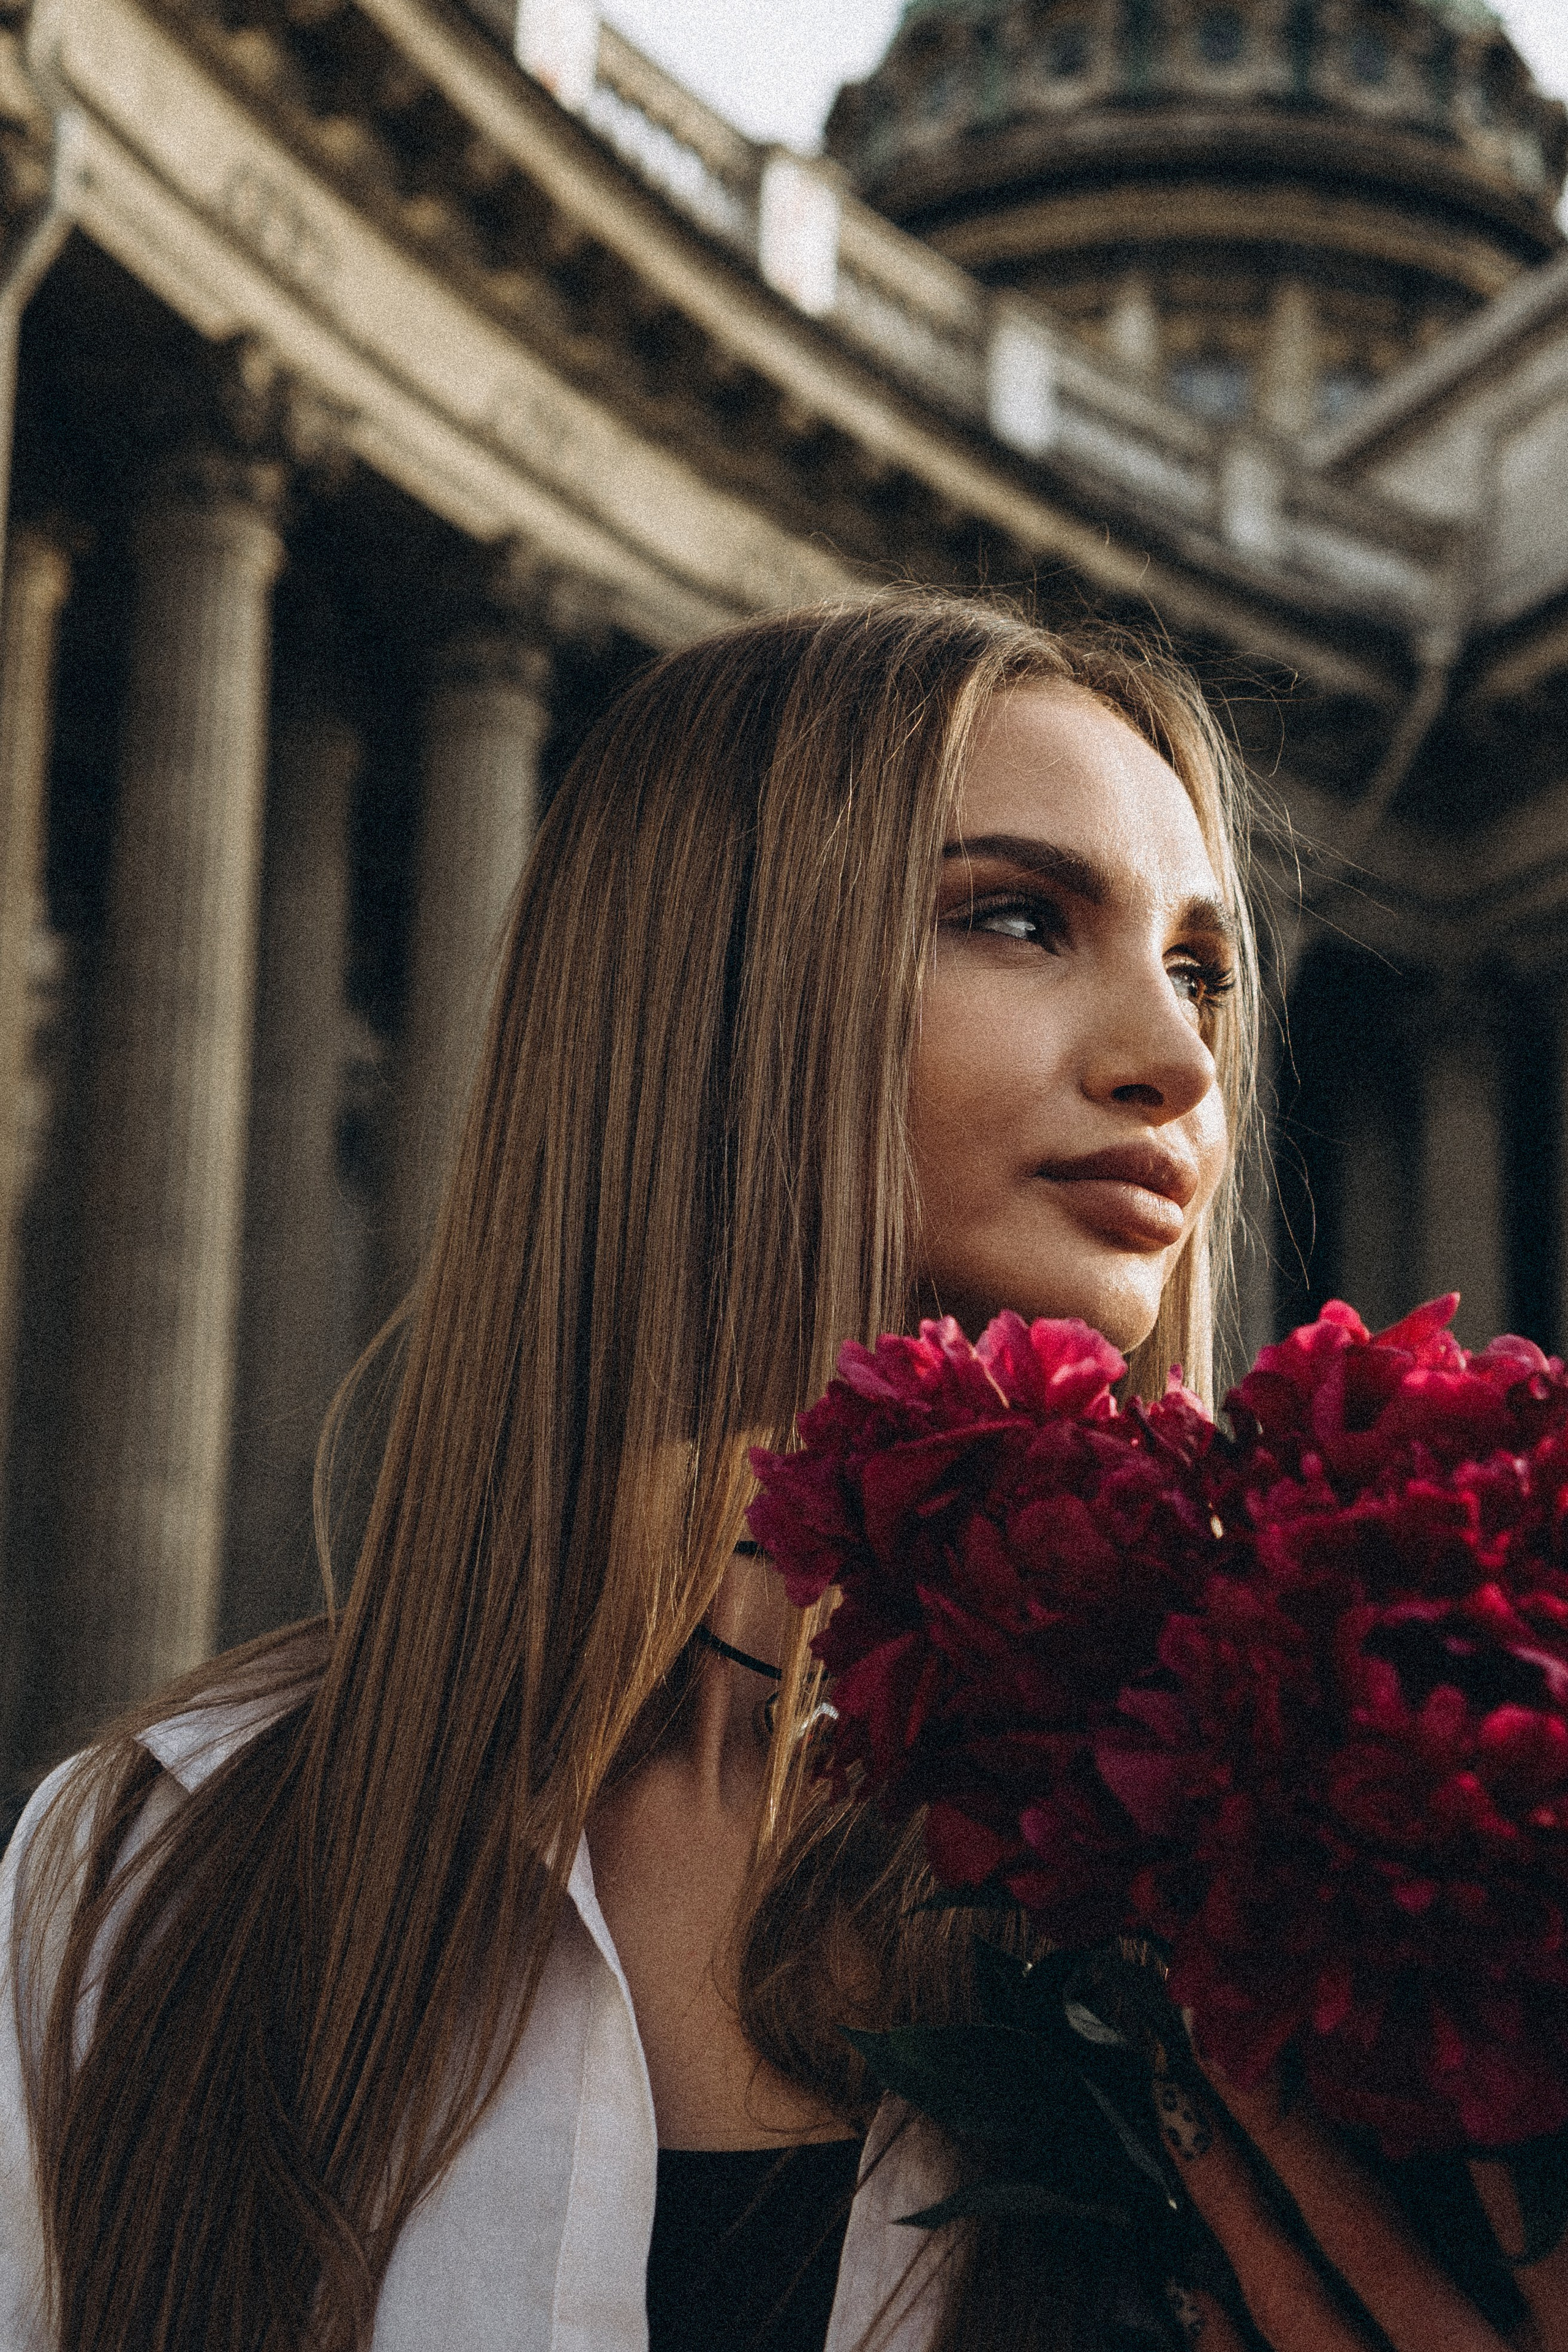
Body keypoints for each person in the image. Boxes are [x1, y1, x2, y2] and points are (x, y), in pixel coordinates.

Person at [0, 593, 1559, 2352]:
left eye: (1204, 969)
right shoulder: (162, 1865)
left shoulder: (1329, 1884)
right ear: (700, 995)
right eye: (1021, 919)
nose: (1180, 1064)